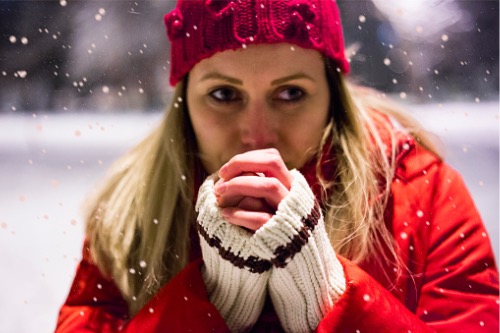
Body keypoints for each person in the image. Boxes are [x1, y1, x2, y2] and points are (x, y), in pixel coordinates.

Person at [55, 0, 499, 332]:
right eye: (224, 95)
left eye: (290, 94)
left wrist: (329, 296)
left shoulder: (419, 191)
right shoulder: (130, 212)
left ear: (332, 96)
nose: (258, 135)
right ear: (183, 102)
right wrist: (212, 303)